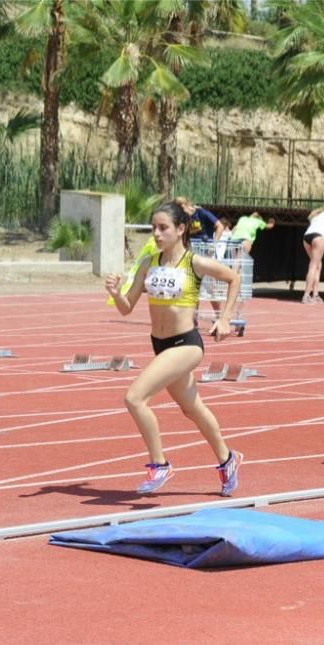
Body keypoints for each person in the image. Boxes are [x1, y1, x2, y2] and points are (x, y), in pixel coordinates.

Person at [104, 201, 244, 495]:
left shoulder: (194, 263)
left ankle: (160, 464)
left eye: (163, 228)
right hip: (161, 345)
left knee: (134, 398)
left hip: (186, 344)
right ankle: (227, 459)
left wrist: (225, 318)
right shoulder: (148, 263)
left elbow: (234, 278)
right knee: (192, 408)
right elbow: (127, 308)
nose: (156, 233)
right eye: (153, 228)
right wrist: (117, 294)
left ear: (180, 230)